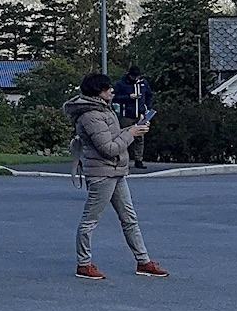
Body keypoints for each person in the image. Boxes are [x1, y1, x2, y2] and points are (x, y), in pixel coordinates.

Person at [64, 72, 167, 281]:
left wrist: (133, 128)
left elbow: (113, 135)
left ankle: (143, 261)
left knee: (129, 218)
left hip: (116, 171)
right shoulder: (90, 116)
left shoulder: (103, 109)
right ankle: (84, 264)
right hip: (102, 173)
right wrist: (131, 134)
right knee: (90, 221)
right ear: (98, 92)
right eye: (107, 88)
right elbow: (108, 148)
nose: (112, 90)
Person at [113, 64, 154, 169]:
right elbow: (114, 97)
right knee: (124, 137)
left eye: (137, 76)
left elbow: (149, 95)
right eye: (134, 76)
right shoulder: (122, 83)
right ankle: (122, 160)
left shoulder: (143, 83)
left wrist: (147, 109)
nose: (136, 78)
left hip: (140, 115)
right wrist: (128, 97)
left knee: (140, 138)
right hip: (126, 115)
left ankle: (138, 160)